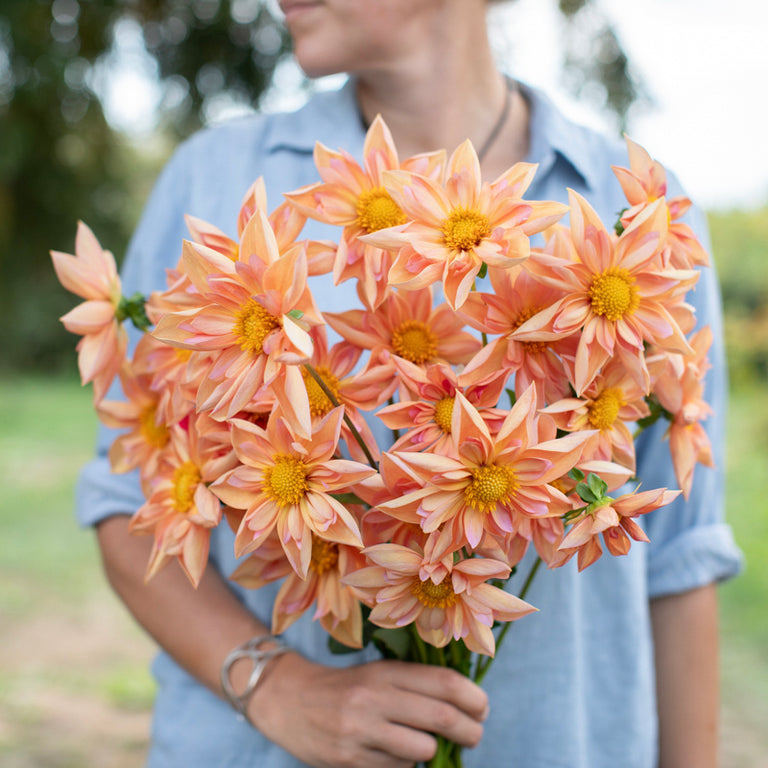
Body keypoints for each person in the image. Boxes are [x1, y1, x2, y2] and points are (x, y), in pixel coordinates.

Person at [77, 1, 742, 766]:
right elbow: (130, 500)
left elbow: (680, 556)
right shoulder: (214, 176)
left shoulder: (644, 221)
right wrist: (277, 685)